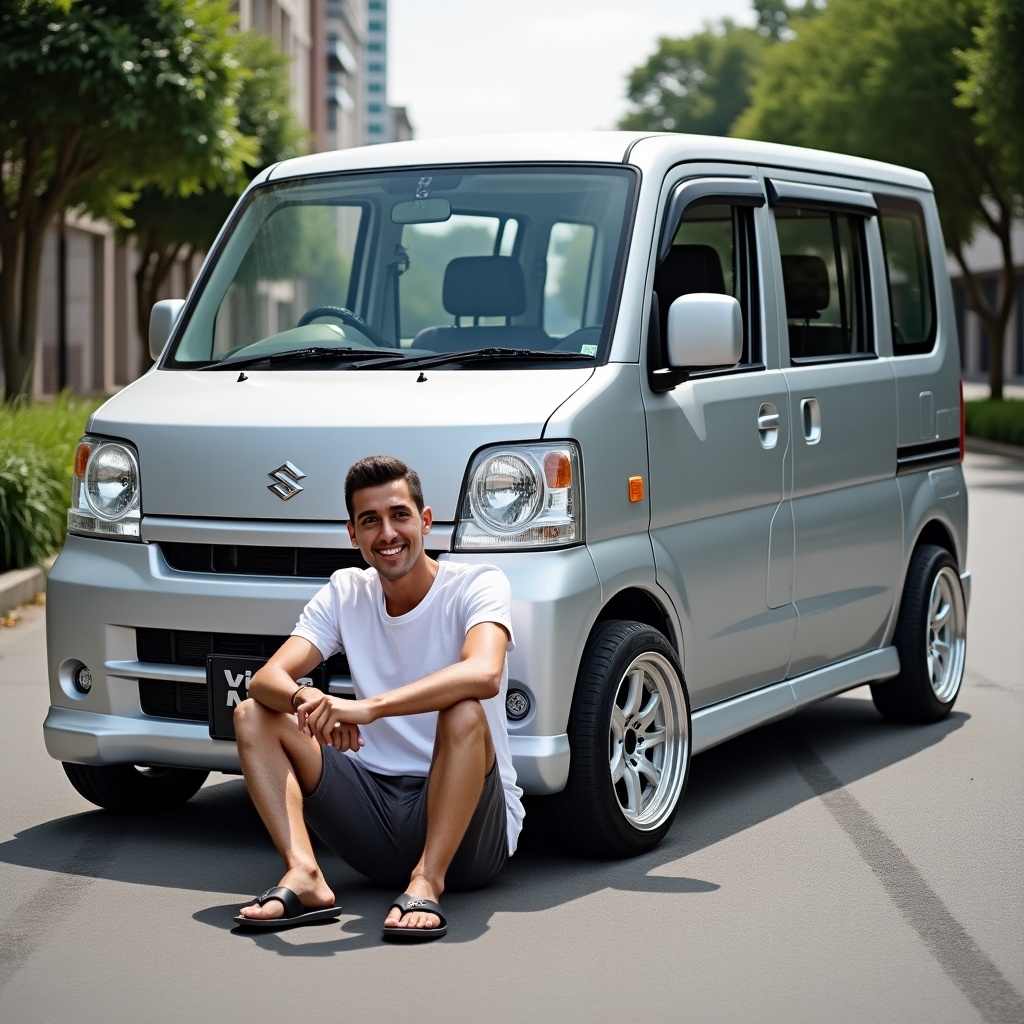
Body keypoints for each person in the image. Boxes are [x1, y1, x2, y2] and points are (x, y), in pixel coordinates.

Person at [232, 454, 523, 941]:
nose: (387, 533)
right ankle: (304, 873)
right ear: (353, 534)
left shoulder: (478, 583)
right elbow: (267, 679)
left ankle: (428, 879)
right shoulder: (347, 591)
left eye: (399, 515)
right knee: (252, 715)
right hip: (374, 812)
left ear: (425, 521)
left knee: (465, 712)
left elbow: (484, 671)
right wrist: (317, 705)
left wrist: (366, 708)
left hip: (469, 832)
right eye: (370, 521)